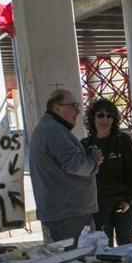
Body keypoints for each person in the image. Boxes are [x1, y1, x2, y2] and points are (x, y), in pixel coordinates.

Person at [29, 89, 104, 245]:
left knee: (70, 260)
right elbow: (74, 164)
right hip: (68, 214)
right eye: (73, 105)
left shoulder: (49, 128)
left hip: (63, 212)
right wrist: (93, 161)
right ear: (57, 108)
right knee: (76, 261)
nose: (77, 111)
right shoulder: (54, 130)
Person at [81, 98, 132, 246]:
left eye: (110, 116)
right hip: (98, 206)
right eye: (100, 115)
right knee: (103, 247)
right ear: (93, 118)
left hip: (123, 204)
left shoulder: (123, 140)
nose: (105, 119)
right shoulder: (85, 145)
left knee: (125, 244)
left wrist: (128, 200)